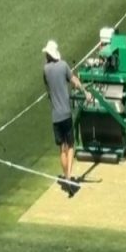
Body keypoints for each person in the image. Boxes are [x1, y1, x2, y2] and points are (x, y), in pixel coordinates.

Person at [42, 40, 90, 197]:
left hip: (55, 116)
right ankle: (69, 176)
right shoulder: (63, 66)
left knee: (61, 148)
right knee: (71, 146)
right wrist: (84, 91)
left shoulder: (46, 70)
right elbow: (74, 80)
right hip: (66, 114)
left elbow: (49, 90)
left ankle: (66, 176)